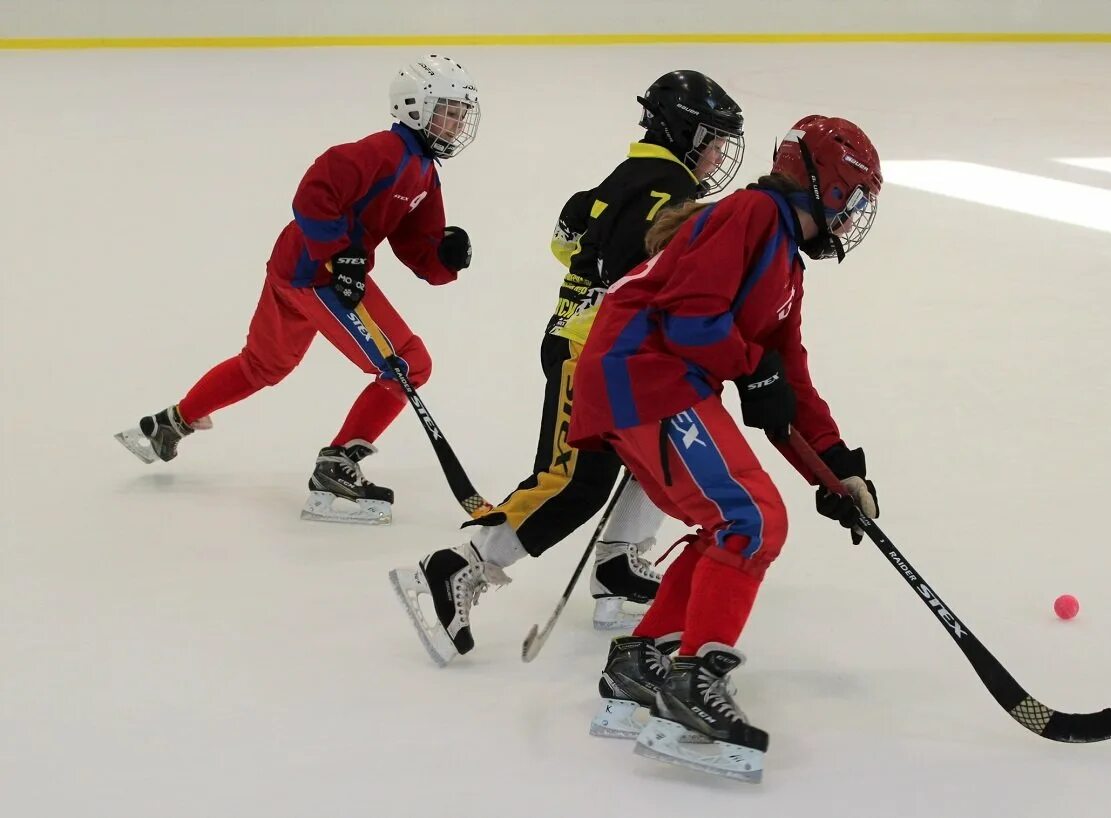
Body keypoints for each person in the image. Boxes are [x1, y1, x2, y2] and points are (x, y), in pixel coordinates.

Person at [388, 71, 745, 664]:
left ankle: (620, 561)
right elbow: (633, 276)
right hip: (591, 352)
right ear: (683, 131)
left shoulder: (636, 176)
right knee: (573, 482)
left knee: (663, 452)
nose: (717, 154)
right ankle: (455, 566)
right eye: (711, 138)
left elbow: (570, 237)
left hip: (608, 352)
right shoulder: (667, 189)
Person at [572, 115, 885, 783]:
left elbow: (787, 378)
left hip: (653, 377)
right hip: (643, 372)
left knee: (731, 521)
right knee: (753, 519)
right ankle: (690, 685)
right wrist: (750, 365)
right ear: (826, 187)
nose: (857, 215)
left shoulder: (785, 267)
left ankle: (642, 663)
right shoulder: (753, 214)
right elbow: (690, 317)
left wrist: (836, 472)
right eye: (855, 198)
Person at [114, 55, 481, 525]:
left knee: (262, 365)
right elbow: (315, 190)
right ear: (415, 106)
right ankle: (337, 466)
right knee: (408, 362)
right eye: (448, 110)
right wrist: (340, 253)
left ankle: (169, 424)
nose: (457, 122)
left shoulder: (424, 172)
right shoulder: (383, 153)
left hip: (295, 268)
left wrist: (444, 259)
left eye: (460, 113)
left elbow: (417, 246)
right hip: (318, 274)